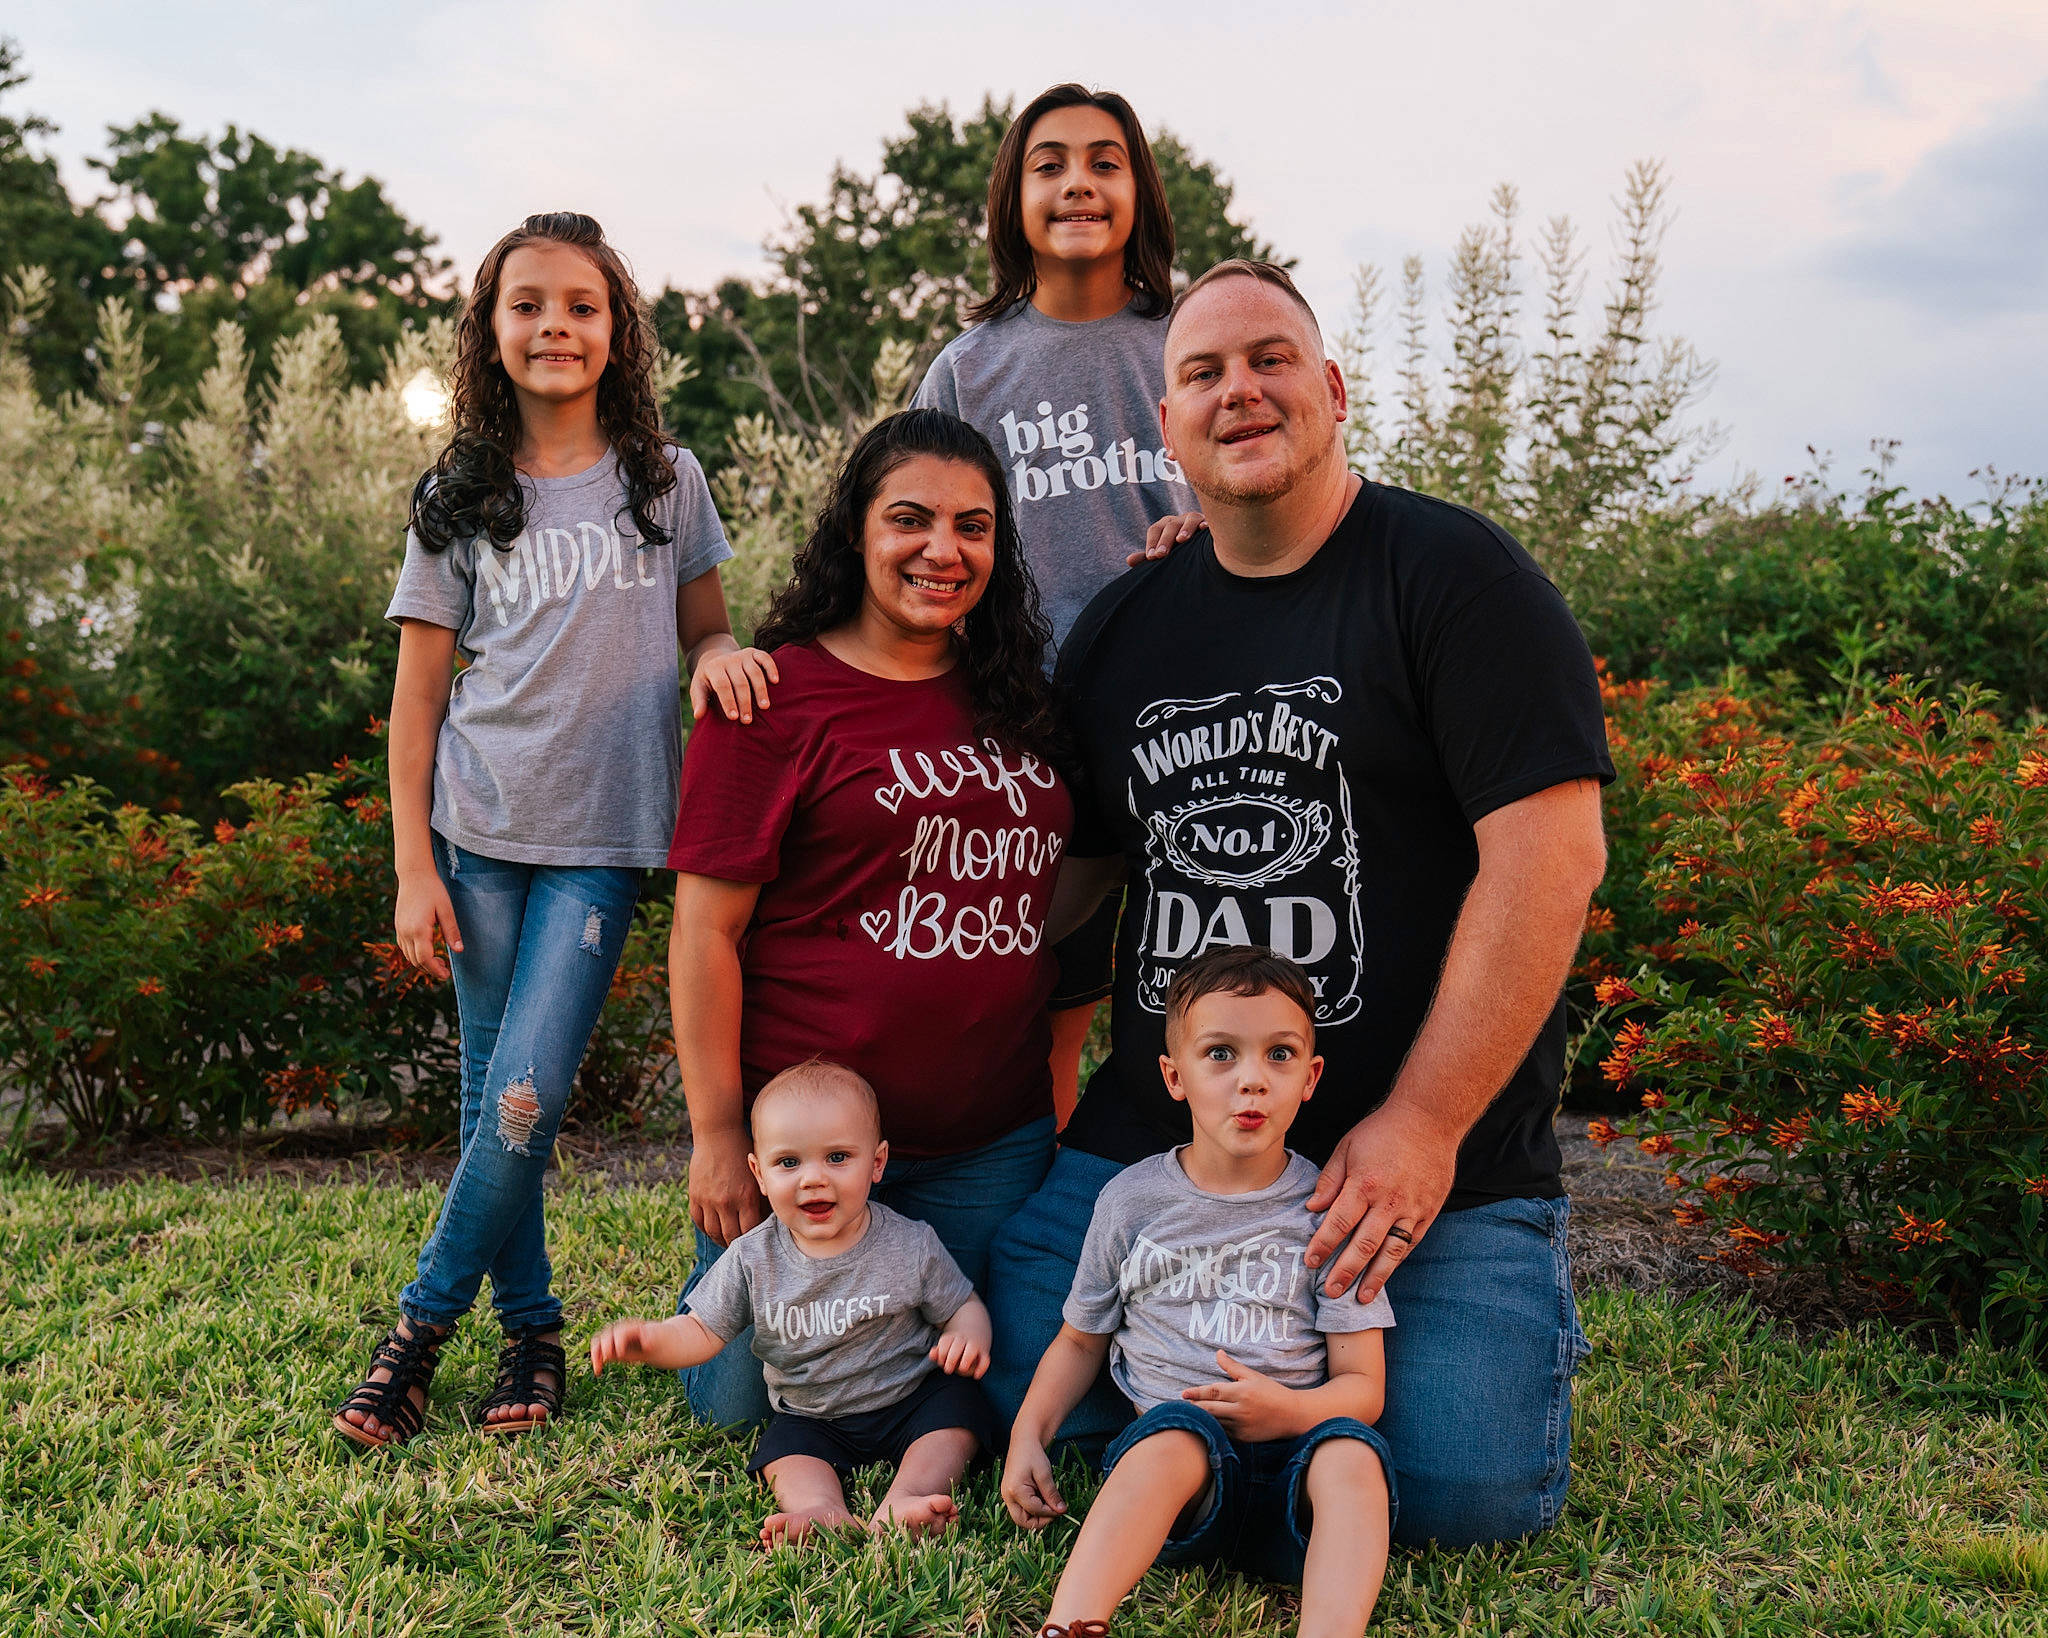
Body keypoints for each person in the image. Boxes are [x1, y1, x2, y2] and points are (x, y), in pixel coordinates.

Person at [992, 259, 1615, 1548]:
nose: (1239, 392)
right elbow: (1074, 882)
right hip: (1166, 1157)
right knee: (1011, 1398)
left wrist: (1423, 1124)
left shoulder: (1456, 582)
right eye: (1201, 374)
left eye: (1269, 360)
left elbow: (1550, 860)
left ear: (1330, 390)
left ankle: (1225, 1452)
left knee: (1461, 1490)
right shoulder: (1122, 628)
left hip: (1408, 1167)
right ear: (1164, 430)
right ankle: (1281, 1457)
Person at [335, 211, 773, 1451]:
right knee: (495, 1106)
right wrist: (414, 865)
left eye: (579, 306)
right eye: (526, 305)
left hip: (601, 840)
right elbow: (420, 694)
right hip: (477, 832)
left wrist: (723, 652)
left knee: (524, 1097)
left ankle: (416, 1332)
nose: (553, 327)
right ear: (490, 330)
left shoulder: (662, 478)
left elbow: (704, 627)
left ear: (614, 328)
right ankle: (530, 1332)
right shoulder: (458, 493)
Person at [667, 407, 1072, 1428]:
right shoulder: (772, 701)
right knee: (735, 1406)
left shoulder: (1019, 702)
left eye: (973, 527)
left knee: (1004, 1392)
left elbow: (1065, 911)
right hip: (814, 1154)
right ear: (856, 531)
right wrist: (718, 1136)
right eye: (911, 520)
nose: (942, 550)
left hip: (990, 1142)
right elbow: (704, 934)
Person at [912, 82, 1203, 1123]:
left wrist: (1202, 533)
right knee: (1036, 1011)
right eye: (1049, 163)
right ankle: (1022, 1231)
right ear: (1012, 196)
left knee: (1200, 1004)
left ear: (1138, 192)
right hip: (1020, 729)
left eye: (1103, 160)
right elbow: (908, 539)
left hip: (1188, 718)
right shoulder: (969, 368)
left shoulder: (1186, 342)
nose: (1077, 181)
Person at [1003, 948, 1393, 1638]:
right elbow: (1080, 1338)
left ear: (1311, 1076)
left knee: (1353, 1456)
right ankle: (1071, 1624)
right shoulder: (1131, 1202)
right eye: (1221, 1054)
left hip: (1296, 1479)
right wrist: (1028, 1436)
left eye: (1280, 1055)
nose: (1252, 1081)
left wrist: (1290, 1412)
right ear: (1173, 1076)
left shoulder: (1330, 1209)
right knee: (1170, 1441)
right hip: (1184, 1486)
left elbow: (1363, 1386)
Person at [590, 1061, 997, 1545]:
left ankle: (905, 1496)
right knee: (782, 1452)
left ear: (878, 1163)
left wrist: (967, 1333)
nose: (813, 1179)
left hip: (909, 1398)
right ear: (758, 1174)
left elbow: (961, 1303)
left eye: (838, 1157)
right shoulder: (752, 1258)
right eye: (789, 1163)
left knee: (958, 1417)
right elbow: (701, 1332)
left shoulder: (911, 1244)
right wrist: (650, 1339)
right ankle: (819, 1508)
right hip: (812, 1416)